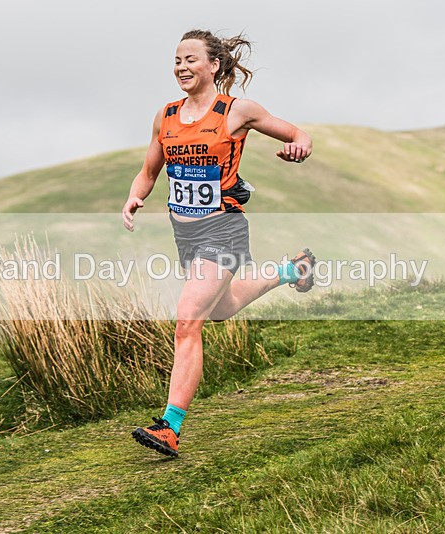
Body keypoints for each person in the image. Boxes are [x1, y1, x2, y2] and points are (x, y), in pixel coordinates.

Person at [122, 29, 315, 457]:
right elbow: (149, 172)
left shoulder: (236, 110)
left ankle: (169, 427)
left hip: (224, 228)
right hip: (186, 235)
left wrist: (298, 149)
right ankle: (292, 270)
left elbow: (298, 134)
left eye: (190, 59)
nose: (181, 67)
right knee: (220, 309)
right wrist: (136, 196)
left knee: (188, 317)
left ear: (213, 65)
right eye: (176, 60)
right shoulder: (165, 117)